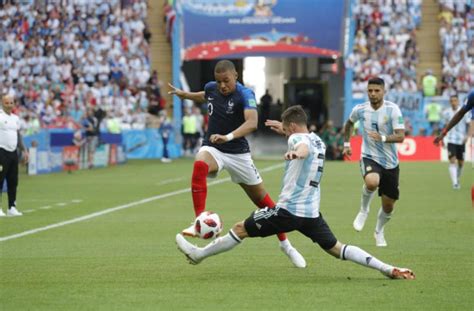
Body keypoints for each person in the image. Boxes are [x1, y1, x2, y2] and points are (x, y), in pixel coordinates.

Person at [176, 106, 415, 280]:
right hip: (311, 214)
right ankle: (387, 268)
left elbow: (301, 147)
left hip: (288, 211)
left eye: (286, 129)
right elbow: (304, 140)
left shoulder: (299, 141)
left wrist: (295, 153)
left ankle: (199, 255)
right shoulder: (317, 139)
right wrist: (287, 132)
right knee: (337, 248)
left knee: (240, 229)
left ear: (291, 127)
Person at [168, 60, 306, 268]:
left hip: (238, 153)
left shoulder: (245, 94)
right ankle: (199, 220)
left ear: (235, 76)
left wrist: (228, 136)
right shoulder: (212, 88)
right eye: (218, 81)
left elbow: (252, 122)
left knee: (265, 203)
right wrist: (186, 95)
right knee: (200, 165)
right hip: (214, 148)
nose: (222, 85)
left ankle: (286, 244)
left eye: (226, 81)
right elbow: (205, 95)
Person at [342, 77, 405, 247]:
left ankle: (379, 231)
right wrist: (347, 144)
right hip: (369, 155)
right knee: (372, 182)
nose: (373, 94)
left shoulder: (393, 110)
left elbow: (400, 136)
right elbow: (348, 124)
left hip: (391, 162)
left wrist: (383, 138)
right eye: (370, 90)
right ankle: (363, 210)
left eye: (377, 91)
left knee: (388, 205)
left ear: (384, 92)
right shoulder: (360, 109)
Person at [0, 94, 28, 217]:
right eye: (7, 103)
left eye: (11, 103)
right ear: (2, 103)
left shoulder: (16, 118)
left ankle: (12, 207)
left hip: (13, 153)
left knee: (13, 181)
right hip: (1, 151)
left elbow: (18, 135)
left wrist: (24, 150)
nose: (9, 105)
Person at [441, 95, 470, 189]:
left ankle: (456, 177)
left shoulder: (464, 112)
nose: (453, 102)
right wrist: (442, 138)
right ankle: (455, 183)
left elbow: (469, 124)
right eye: (452, 101)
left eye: (455, 100)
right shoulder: (446, 113)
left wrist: (467, 135)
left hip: (461, 140)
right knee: (452, 160)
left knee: (461, 162)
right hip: (451, 139)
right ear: (450, 102)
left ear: (458, 101)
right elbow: (444, 126)